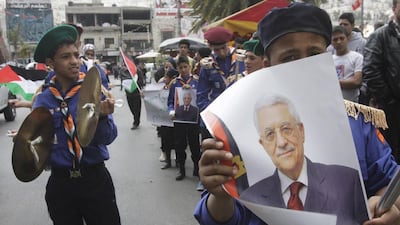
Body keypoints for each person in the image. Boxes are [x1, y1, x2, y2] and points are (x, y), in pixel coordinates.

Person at [194, 3, 400, 225]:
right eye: (290, 58)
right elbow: (221, 218)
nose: (304, 65)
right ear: (268, 65)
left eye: (314, 53)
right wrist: (220, 194)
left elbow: (389, 184)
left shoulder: (357, 123)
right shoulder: (238, 131)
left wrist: (389, 208)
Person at [32, 24, 120, 225]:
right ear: (50, 63)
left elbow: (108, 138)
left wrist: (104, 117)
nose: (74, 62)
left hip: (95, 180)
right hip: (61, 184)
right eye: (65, 57)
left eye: (76, 55)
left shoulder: (92, 91)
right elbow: (40, 146)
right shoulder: (43, 100)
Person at [239, 94, 368, 224]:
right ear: (263, 144)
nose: (281, 142)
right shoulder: (250, 199)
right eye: (270, 134)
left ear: (301, 131)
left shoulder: (346, 181)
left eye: (286, 129)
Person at [363, 0, 400, 163]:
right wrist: (388, 99)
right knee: (392, 152)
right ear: (394, 9)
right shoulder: (380, 36)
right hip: (392, 108)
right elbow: (370, 71)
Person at [197, 26, 245, 140]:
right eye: (217, 50)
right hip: (216, 117)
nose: (222, 52)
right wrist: (213, 112)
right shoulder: (207, 65)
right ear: (210, 47)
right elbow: (201, 95)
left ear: (228, 43)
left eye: (223, 48)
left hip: (240, 114)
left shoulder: (242, 58)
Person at [168, 56, 201, 181]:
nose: (183, 70)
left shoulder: (197, 81)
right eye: (180, 67)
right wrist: (171, 110)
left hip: (193, 119)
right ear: (177, 68)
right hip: (179, 119)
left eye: (185, 67)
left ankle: (197, 169)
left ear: (189, 67)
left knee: (194, 145)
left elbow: (200, 95)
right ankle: (181, 169)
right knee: (179, 145)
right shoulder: (174, 83)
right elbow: (170, 100)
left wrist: (192, 89)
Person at [331, 25, 363, 102]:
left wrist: (333, 82)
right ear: (331, 42)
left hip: (352, 104)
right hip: (334, 103)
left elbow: (356, 81)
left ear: (347, 39)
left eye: (341, 38)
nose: (339, 42)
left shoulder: (357, 57)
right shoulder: (329, 60)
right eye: (335, 40)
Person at [159, 68, 179, 169]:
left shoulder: (177, 87)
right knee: (165, 140)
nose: (164, 79)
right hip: (165, 119)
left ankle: (179, 161)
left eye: (167, 77)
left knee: (177, 140)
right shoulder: (163, 88)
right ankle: (168, 161)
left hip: (175, 118)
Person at [124, 63, 145, 130]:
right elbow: (123, 81)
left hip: (136, 93)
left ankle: (136, 122)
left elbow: (141, 81)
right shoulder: (125, 71)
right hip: (128, 93)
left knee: (137, 108)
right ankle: (136, 118)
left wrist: (135, 83)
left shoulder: (137, 71)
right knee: (132, 108)